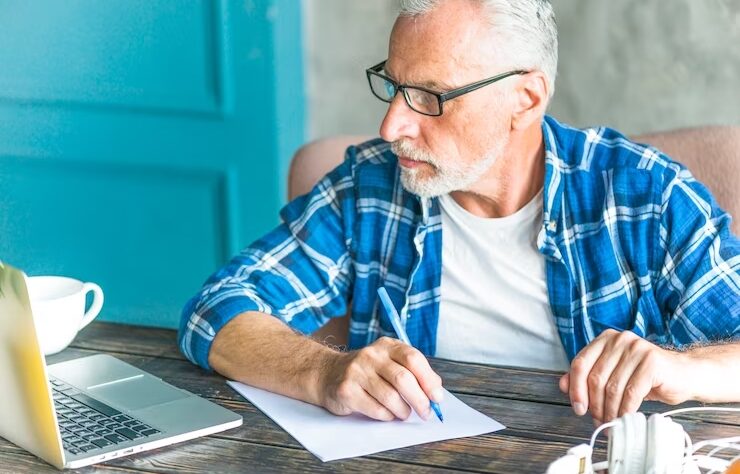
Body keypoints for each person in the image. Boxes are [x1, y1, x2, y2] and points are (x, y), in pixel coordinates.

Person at [178, 0, 740, 426]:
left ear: (525, 98)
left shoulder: (645, 195)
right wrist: (322, 370)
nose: (391, 126)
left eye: (430, 96)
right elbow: (216, 311)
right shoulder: (370, 186)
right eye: (394, 87)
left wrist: (681, 368)